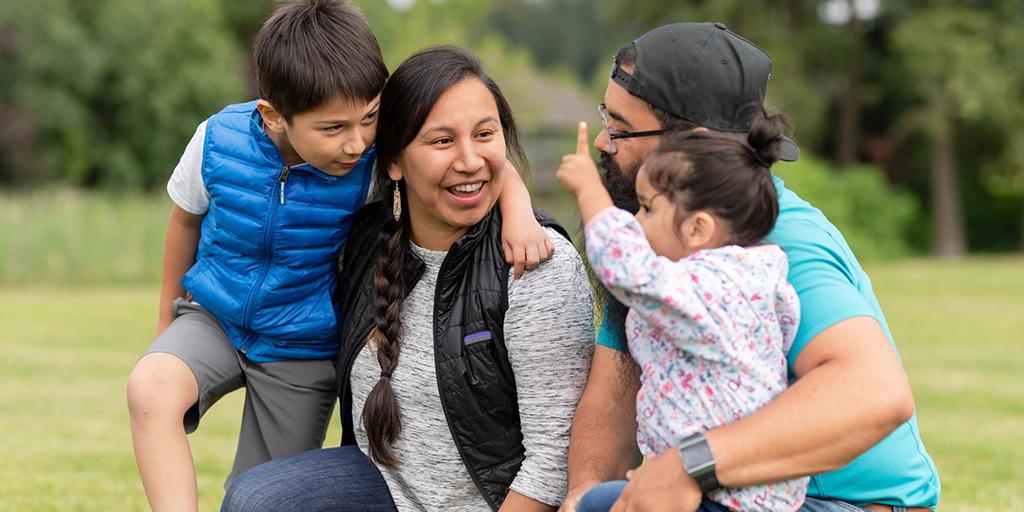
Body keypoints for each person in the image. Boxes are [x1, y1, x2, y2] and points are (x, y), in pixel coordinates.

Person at [125, 2, 551, 510]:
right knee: (149, 388)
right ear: (274, 116)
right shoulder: (216, 141)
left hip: (300, 343)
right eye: (333, 129)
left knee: (266, 496)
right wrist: (164, 325)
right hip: (214, 316)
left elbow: (478, 158)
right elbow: (184, 220)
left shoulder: (372, 162)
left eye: (369, 118)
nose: (355, 142)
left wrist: (520, 210)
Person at [562, 22, 940, 512]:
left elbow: (876, 393)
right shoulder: (653, 234)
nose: (603, 143)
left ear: (691, 146)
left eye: (621, 128)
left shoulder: (781, 240)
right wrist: (582, 494)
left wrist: (688, 466)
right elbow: (615, 388)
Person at [221, 46, 595, 512]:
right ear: (394, 162)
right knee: (257, 500)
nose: (470, 160)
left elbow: (552, 461)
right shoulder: (363, 241)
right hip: (385, 489)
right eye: (441, 142)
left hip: (491, 503)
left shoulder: (536, 263)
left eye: (485, 134)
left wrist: (513, 194)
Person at [557, 116, 808, 511]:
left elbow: (628, 269)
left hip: (726, 497)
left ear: (697, 230)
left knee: (592, 507)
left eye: (646, 209)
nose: (635, 222)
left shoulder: (710, 287)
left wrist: (591, 193)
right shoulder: (753, 280)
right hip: (747, 490)